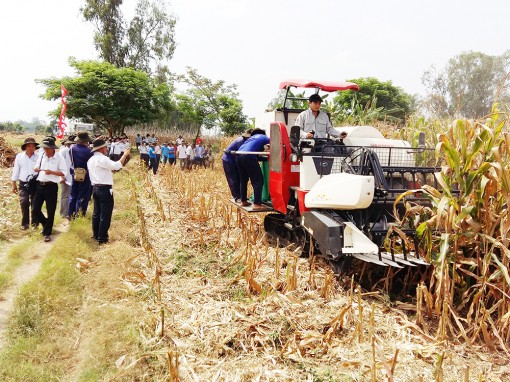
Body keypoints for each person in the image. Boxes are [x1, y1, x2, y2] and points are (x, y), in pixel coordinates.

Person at [87, 138, 130, 244]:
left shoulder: (91, 160)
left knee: (97, 213)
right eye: (105, 147)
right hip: (104, 188)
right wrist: (125, 155)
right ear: (101, 149)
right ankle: (102, 237)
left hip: (95, 187)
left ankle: (96, 234)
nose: (107, 149)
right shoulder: (102, 159)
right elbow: (117, 166)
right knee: (105, 214)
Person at [32, 137, 68, 242]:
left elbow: (64, 173)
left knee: (50, 210)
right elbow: (37, 165)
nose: (46, 150)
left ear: (53, 148)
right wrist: (35, 168)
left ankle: (47, 233)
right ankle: (46, 224)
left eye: (47, 148)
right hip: (39, 185)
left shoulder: (59, 158)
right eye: (44, 148)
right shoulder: (42, 155)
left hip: (51, 186)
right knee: (35, 209)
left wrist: (52, 172)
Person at [236, 128, 270, 210]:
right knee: (258, 180)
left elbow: (255, 152)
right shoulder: (264, 137)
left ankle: (243, 201)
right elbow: (276, 145)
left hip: (238, 156)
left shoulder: (251, 139)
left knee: (243, 180)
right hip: (248, 156)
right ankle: (257, 204)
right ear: (263, 133)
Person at [11, 137, 40, 229]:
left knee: (35, 203)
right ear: (25, 147)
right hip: (23, 183)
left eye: (33, 146)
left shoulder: (39, 157)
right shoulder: (19, 157)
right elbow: (16, 170)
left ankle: (35, 223)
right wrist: (13, 184)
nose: (31, 148)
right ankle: (25, 224)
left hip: (35, 183)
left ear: (35, 147)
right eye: (29, 146)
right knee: (24, 202)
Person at [222, 130, 252, 202]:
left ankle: (242, 196)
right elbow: (242, 154)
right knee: (233, 179)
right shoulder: (240, 141)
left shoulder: (246, 141)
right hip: (229, 161)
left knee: (239, 178)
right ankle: (237, 197)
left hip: (235, 161)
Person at [68, 132, 93, 217]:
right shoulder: (89, 151)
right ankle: (80, 213)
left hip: (74, 173)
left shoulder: (71, 149)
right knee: (83, 195)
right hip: (85, 174)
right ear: (86, 140)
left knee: (73, 194)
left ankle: (70, 213)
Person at [58, 135, 76, 219]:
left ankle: (69, 212)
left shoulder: (73, 151)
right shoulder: (63, 151)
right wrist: (62, 176)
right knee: (65, 195)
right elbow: (59, 164)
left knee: (70, 195)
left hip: (72, 176)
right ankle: (63, 213)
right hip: (65, 176)